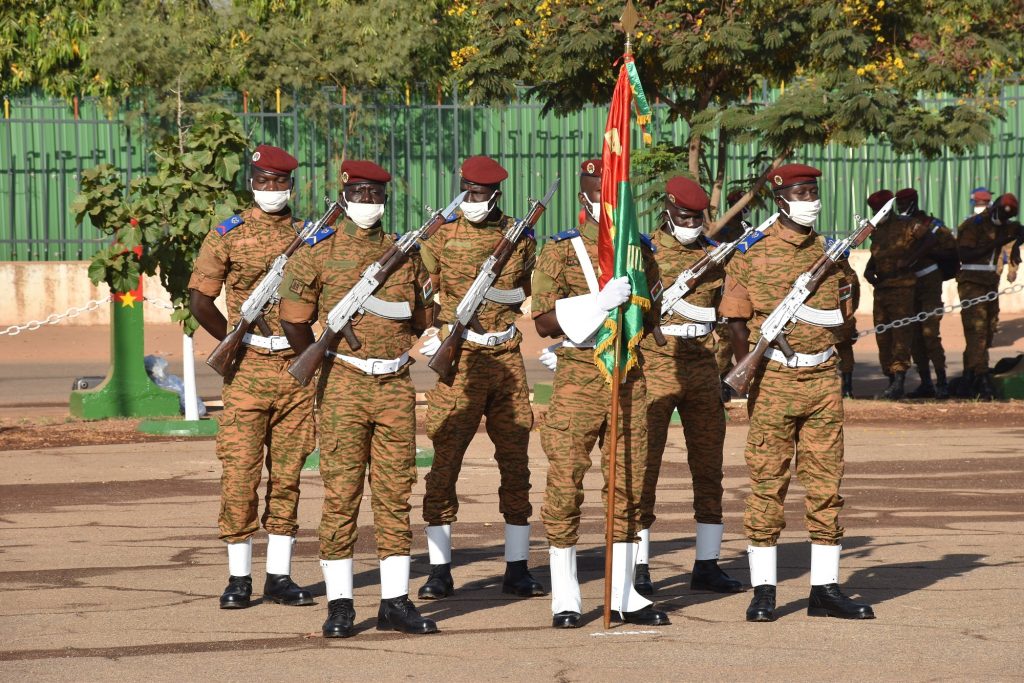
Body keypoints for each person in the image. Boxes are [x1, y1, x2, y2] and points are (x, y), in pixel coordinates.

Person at [277, 160, 438, 637]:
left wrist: (427, 329)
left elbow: (421, 315)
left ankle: (395, 601)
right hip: (344, 384)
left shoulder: (405, 254)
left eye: (377, 195)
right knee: (342, 495)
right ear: (345, 194)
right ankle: (342, 605)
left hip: (394, 386)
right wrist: (318, 356)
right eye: (362, 194)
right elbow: (293, 318)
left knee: (394, 495)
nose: (369, 203)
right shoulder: (317, 252)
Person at [721, 163, 873, 622]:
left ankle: (824, 589)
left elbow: (848, 305)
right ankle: (764, 590)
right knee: (768, 483)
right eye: (803, 193)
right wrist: (752, 363)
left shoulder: (832, 250)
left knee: (827, 484)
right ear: (782, 198)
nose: (811, 201)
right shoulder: (751, 254)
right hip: (774, 381)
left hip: (823, 379)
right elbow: (734, 319)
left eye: (814, 192)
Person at [531, 158, 668, 628]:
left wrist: (632, 302)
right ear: (584, 198)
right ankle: (566, 596)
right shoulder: (560, 252)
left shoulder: (639, 251)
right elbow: (545, 322)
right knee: (565, 483)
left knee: (628, 484)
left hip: (628, 374)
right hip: (578, 375)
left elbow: (652, 319)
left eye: (613, 195)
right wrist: (598, 302)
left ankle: (624, 594)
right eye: (598, 193)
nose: (606, 203)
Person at [188, 144, 316, 610]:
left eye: (279, 183)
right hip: (246, 373)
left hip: (293, 369)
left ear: (291, 186)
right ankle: (238, 578)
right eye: (263, 182)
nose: (271, 190)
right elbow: (201, 300)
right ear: (251, 183)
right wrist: (233, 340)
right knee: (240, 475)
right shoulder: (228, 234)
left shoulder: (310, 235)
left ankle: (279, 576)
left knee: (288, 475)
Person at [416, 155, 543, 602]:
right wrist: (438, 331)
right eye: (466, 192)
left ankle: (517, 567)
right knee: (445, 462)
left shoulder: (520, 236)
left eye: (480, 194)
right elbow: (424, 291)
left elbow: (526, 289)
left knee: (516, 463)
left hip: (506, 357)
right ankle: (439, 570)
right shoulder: (440, 234)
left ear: (495, 195)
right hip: (460, 359)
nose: (472, 201)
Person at [635, 176, 742, 598]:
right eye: (683, 216)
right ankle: (639, 564)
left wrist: (724, 368)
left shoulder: (715, 256)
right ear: (668, 211)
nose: (691, 224)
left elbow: (727, 312)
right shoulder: (645, 252)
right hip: (655, 364)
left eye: (697, 217)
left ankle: (707, 563)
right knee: (644, 465)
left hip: (702, 367)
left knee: (709, 465)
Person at [955, 193, 1021, 400]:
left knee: (988, 331)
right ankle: (981, 376)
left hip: (991, 284)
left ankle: (969, 374)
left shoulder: (1006, 225)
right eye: (1002, 214)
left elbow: (1019, 231)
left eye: (1008, 217)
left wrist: (1016, 244)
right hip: (972, 284)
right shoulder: (973, 225)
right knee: (977, 332)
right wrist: (997, 242)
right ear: (995, 209)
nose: (1005, 220)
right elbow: (964, 255)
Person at [897, 188, 957, 399]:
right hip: (908, 284)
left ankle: (942, 382)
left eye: (905, 204)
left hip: (929, 281)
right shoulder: (898, 226)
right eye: (899, 204)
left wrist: (922, 252)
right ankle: (925, 383)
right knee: (914, 337)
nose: (901, 208)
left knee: (930, 333)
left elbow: (951, 250)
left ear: (914, 202)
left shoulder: (933, 225)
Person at [864, 187, 922, 399]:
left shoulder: (907, 225)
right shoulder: (876, 230)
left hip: (902, 288)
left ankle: (899, 382)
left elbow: (928, 240)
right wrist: (869, 269)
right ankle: (890, 381)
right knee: (883, 337)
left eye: (879, 209)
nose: (876, 212)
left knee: (901, 336)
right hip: (881, 289)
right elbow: (876, 255)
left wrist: (910, 258)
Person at [712, 189, 751, 401]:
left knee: (739, 337)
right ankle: (725, 382)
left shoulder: (748, 229)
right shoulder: (723, 229)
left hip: (742, 287)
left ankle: (735, 382)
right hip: (726, 288)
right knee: (726, 339)